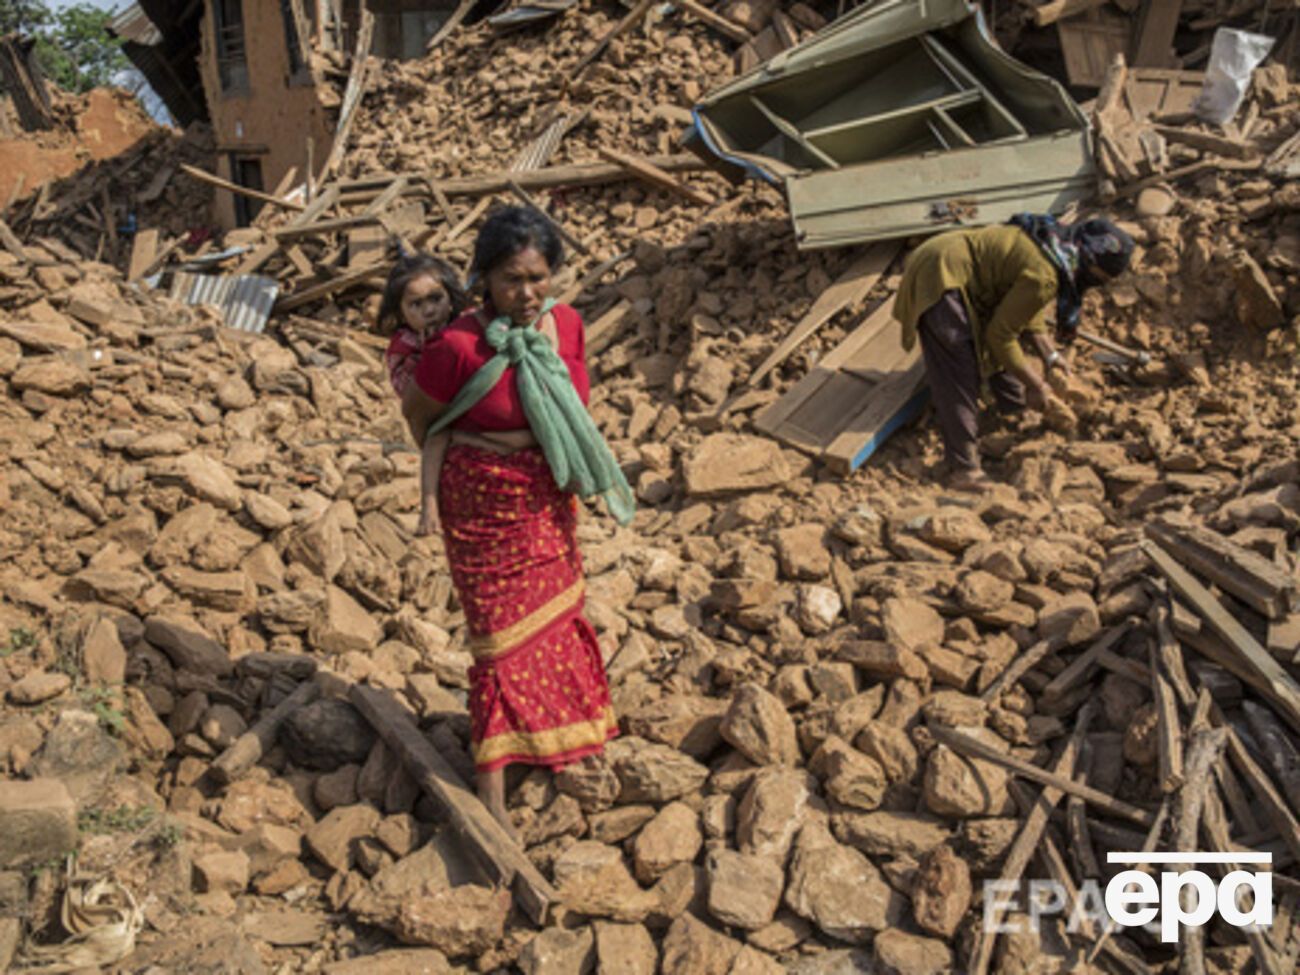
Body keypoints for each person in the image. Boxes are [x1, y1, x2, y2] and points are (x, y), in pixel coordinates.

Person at [399, 206, 633, 835]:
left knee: (557, 619)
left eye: (537, 277)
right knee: (499, 641)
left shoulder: (568, 327)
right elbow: (423, 419)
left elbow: (574, 405)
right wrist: (482, 454)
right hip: (481, 503)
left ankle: (560, 743)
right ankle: (491, 785)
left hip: (546, 496)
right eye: (510, 280)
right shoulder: (457, 346)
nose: (525, 293)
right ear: (484, 279)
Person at [894, 213, 1134, 490]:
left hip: (950, 261)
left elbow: (1024, 310)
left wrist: (1050, 356)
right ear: (1090, 261)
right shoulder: (1046, 274)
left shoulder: (1052, 246)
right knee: (959, 373)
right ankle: (964, 469)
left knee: (997, 351)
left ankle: (1013, 413)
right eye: (1099, 278)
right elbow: (1001, 336)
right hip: (941, 273)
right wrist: (1036, 384)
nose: (1094, 284)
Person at [378, 252, 467, 536]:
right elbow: (412, 398)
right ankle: (430, 505)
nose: (428, 310)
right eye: (416, 304)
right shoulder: (403, 346)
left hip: (473, 401)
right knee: (436, 438)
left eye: (435, 299)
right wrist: (433, 355)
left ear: (450, 298)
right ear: (401, 312)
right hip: (436, 413)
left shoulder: (467, 325)